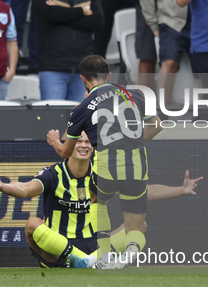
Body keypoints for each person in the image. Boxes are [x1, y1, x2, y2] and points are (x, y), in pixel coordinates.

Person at [0, 132, 202, 268]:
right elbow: (26, 189)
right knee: (32, 224)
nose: (84, 145)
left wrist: (181, 190)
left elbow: (143, 192)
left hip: (92, 244)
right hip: (59, 249)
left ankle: (90, 261)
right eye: (78, 141)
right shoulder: (53, 174)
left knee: (138, 225)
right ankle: (88, 262)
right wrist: (3, 186)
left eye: (88, 142)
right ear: (68, 147)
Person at [47, 55, 162, 269]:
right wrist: (131, 140)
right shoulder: (134, 94)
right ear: (109, 75)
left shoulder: (82, 107)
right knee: (135, 226)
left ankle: (105, 254)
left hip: (106, 168)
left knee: (96, 201)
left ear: (83, 79)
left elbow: (65, 152)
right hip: (137, 167)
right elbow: (157, 125)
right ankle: (127, 257)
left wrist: (55, 141)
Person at [32, 0, 103, 101]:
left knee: (80, 118)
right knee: (52, 118)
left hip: (83, 70)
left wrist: (62, 15)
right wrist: (81, 10)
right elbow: (49, 15)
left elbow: (97, 22)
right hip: (53, 68)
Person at [140, 0, 190, 105]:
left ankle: (203, 113)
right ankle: (161, 110)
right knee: (169, 63)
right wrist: (153, 24)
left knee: (204, 65)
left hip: (202, 21)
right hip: (172, 21)